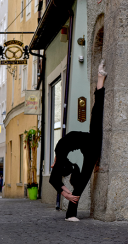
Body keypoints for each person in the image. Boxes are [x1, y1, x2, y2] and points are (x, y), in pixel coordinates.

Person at [49, 59, 107, 222]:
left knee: (97, 113)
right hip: (84, 141)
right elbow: (54, 179)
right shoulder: (61, 155)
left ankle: (71, 214)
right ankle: (100, 78)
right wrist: (66, 193)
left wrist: (66, 193)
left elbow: (54, 179)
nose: (53, 164)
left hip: (86, 143)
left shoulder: (62, 155)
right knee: (97, 112)